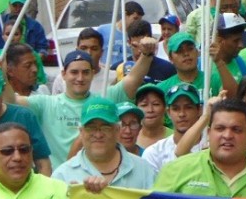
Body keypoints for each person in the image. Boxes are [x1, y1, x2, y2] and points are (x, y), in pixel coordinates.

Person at [8, 47, 153, 168]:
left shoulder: (104, 99)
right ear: (64, 74)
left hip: (99, 180)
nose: (80, 78)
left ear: (92, 74)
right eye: (74, 72)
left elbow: (133, 79)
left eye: (85, 72)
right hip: (59, 182)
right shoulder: (45, 103)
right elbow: (10, 100)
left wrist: (146, 54)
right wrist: (0, 72)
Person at [153, 99, 246, 199]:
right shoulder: (175, 171)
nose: (227, 135)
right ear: (208, 134)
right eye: (220, 129)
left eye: (236, 130)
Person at [53, 97, 155, 189]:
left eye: (105, 127)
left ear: (117, 130)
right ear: (81, 131)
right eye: (91, 128)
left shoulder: (144, 171)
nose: (98, 134)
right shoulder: (62, 175)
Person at [142, 83, 206, 171]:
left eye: (188, 107)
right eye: (176, 109)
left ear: (199, 110)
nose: (182, 114)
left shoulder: (211, 147)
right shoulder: (154, 152)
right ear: (168, 112)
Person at [114, 19, 176, 84]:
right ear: (129, 43)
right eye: (135, 46)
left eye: (143, 46)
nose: (139, 51)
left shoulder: (168, 69)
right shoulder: (118, 68)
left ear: (151, 41)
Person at [52, 28, 108, 95]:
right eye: (83, 48)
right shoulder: (61, 79)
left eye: (94, 49)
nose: (88, 53)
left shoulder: (113, 77)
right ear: (77, 50)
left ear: (101, 52)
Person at [134, 83, 171, 149]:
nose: (150, 110)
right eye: (144, 105)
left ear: (165, 108)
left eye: (156, 104)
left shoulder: (175, 138)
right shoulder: (129, 138)